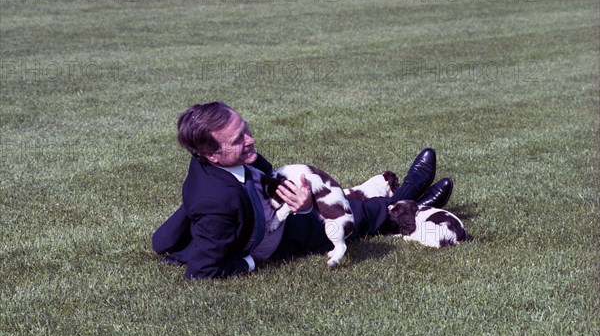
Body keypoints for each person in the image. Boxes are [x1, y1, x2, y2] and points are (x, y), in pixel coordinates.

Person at [152, 102, 454, 279]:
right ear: (212, 155)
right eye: (237, 139)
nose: (250, 139)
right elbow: (202, 270)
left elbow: (263, 180)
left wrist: (302, 202)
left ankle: (405, 197)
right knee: (351, 217)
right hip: (269, 238)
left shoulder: (234, 159)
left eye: (244, 128)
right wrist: (251, 262)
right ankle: (408, 203)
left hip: (272, 216)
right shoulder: (216, 202)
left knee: (338, 205)